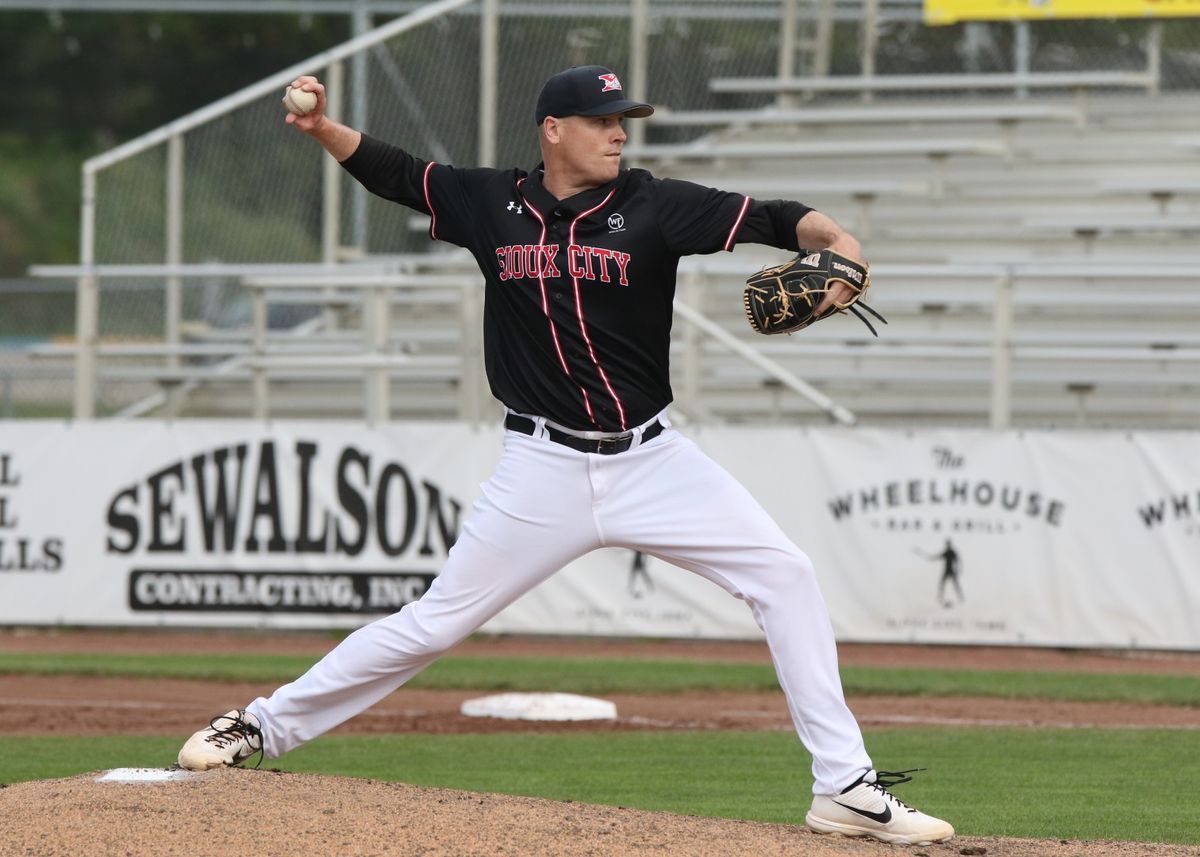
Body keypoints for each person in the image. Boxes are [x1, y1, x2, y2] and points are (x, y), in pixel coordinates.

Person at [177, 65, 954, 846]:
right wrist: (321, 130)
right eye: (602, 119)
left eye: (624, 120)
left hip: (653, 461)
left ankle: (845, 787)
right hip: (540, 467)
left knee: (785, 575)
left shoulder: (655, 204)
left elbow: (781, 218)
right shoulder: (492, 203)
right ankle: (257, 726)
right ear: (554, 129)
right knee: (433, 624)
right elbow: (398, 174)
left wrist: (843, 246)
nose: (620, 132)